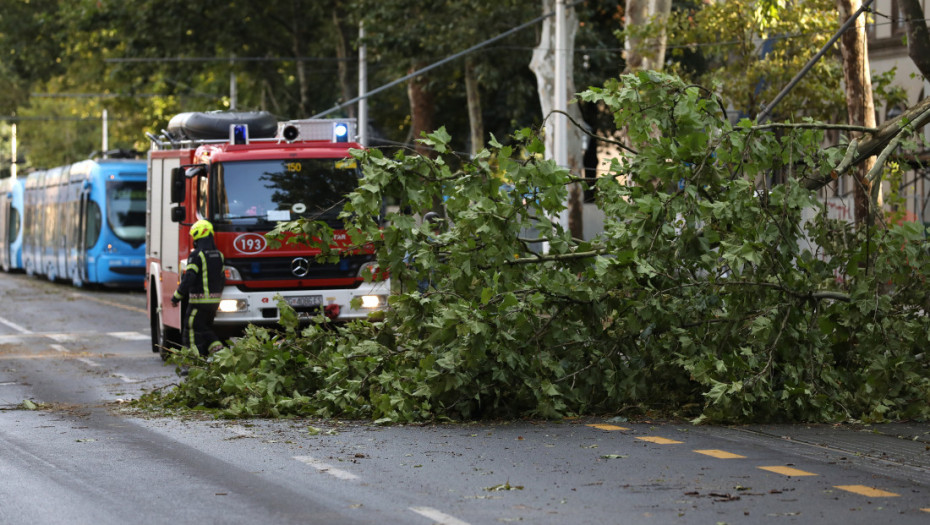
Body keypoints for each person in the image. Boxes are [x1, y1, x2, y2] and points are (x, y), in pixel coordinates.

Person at [171, 219, 226, 356]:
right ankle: (217, 351)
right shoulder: (219, 255)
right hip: (214, 303)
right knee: (204, 328)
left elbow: (189, 278)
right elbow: (222, 279)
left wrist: (176, 297)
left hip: (198, 303)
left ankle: (191, 361)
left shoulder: (196, 255)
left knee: (190, 328)